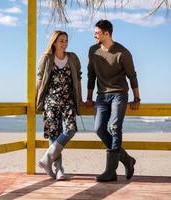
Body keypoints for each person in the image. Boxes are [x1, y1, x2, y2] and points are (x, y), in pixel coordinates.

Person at [86, 19, 140, 182]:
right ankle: (127, 160)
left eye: (97, 33)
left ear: (106, 33)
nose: (94, 35)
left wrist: (137, 97)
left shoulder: (123, 52)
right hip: (101, 96)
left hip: (119, 94)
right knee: (99, 129)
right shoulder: (93, 50)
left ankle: (111, 171)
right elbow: (91, 75)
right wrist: (89, 97)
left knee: (114, 127)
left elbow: (132, 76)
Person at [36, 30, 83, 180]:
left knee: (70, 130)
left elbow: (79, 79)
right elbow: (39, 80)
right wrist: (36, 100)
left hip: (68, 100)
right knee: (54, 134)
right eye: (61, 41)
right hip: (51, 100)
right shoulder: (46, 58)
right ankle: (59, 169)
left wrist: (80, 99)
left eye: (66, 40)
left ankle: (46, 159)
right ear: (54, 42)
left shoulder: (73, 58)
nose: (64, 43)